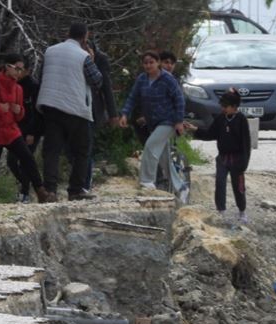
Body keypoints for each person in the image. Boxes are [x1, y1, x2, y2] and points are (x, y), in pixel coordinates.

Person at [0, 54, 49, 204]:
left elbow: (20, 116)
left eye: (21, 70)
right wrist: (0, 109)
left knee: (27, 157)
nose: (19, 73)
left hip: (11, 130)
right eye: (16, 69)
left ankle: (40, 190)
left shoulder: (18, 88)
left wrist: (19, 111)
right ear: (7, 67)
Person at [36, 22, 103, 201]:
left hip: (50, 106)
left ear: (67, 33)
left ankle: (50, 190)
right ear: (85, 37)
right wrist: (92, 59)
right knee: (82, 151)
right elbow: (97, 81)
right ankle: (75, 190)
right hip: (75, 109)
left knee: (52, 150)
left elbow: (41, 76)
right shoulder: (84, 56)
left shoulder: (50, 51)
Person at [119, 51, 185, 190]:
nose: (148, 65)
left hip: (168, 121)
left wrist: (179, 121)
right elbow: (132, 97)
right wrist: (124, 114)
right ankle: (180, 188)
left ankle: (146, 181)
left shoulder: (168, 79)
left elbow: (179, 100)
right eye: (145, 63)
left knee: (150, 146)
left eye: (151, 62)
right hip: (152, 122)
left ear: (158, 63)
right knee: (163, 157)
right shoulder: (142, 79)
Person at [186, 90, 250, 223]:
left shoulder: (242, 120)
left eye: (225, 106)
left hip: (237, 159)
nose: (223, 109)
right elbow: (210, 134)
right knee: (220, 183)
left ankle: (242, 211)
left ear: (234, 106)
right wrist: (195, 129)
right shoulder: (221, 119)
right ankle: (221, 211)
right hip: (222, 158)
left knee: (238, 186)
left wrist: (244, 163)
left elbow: (246, 144)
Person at [84, 40, 119, 192]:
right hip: (73, 108)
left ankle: (85, 183)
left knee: (87, 146)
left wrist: (113, 114)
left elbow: (106, 87)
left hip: (92, 109)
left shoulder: (100, 59)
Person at [8, 56, 43, 203]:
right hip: (15, 128)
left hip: (31, 129)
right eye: (14, 68)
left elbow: (38, 112)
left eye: (19, 69)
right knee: (11, 161)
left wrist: (33, 132)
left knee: (25, 160)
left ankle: (25, 193)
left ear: (27, 71)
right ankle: (25, 184)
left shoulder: (33, 86)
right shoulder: (12, 84)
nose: (16, 72)